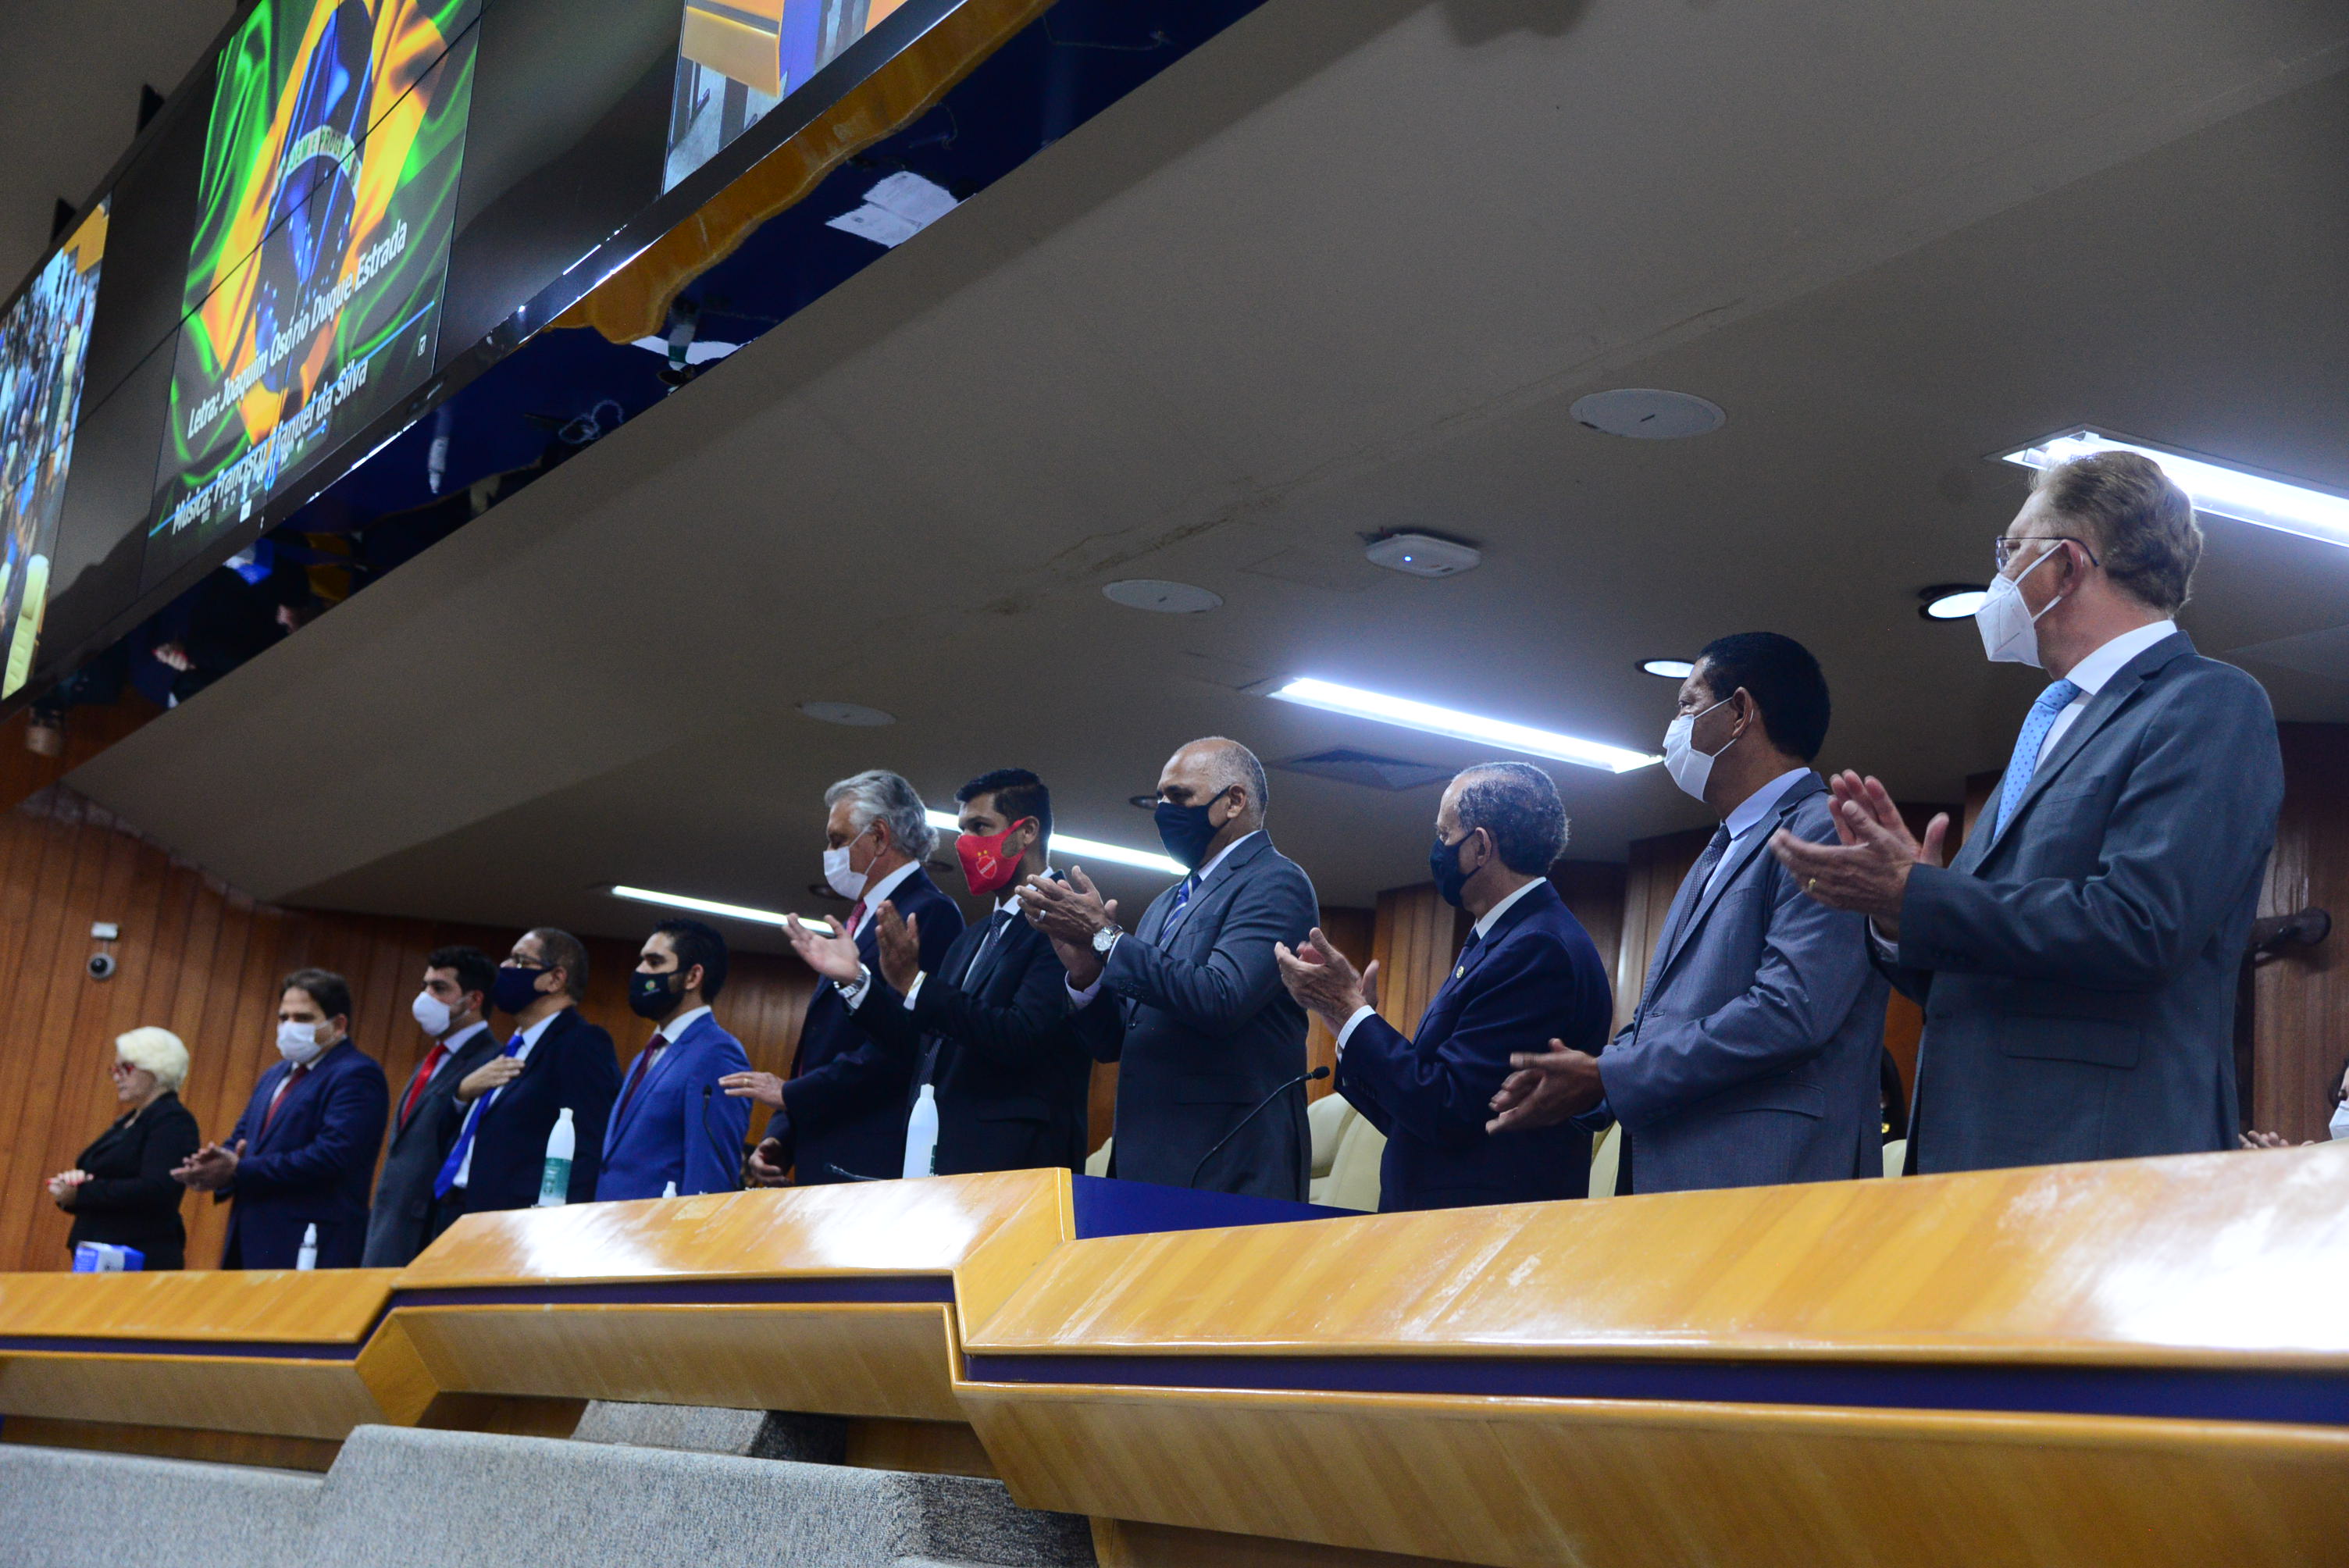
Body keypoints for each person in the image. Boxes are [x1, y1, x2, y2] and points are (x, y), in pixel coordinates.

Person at [1773, 451, 2283, 1172]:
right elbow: (1975, 975)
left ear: (2066, 565)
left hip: (2098, 1154)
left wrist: (1924, 896)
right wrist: (1901, 914)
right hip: (1979, 1149)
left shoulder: (2208, 702)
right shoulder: (2051, 720)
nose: (2001, 574)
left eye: (2012, 549)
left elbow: (2142, 927)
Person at [1485, 636, 1888, 1191]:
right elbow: (1662, 1018)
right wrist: (1586, 1081)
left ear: (1740, 713)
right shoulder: (1719, 849)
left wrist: (1609, 1075)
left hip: (1767, 1177)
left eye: (1687, 705)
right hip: (1684, 1173)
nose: (1673, 728)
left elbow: (1788, 1010)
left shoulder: (1825, 828)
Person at [1278, 763, 1610, 1210]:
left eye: (1444, 834)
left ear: (1480, 847)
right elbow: (1415, 1116)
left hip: (1483, 1229)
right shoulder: (1505, 938)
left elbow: (1448, 1111)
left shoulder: (1536, 947)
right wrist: (1348, 1021)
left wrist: (1351, 1012)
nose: (1437, 849)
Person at [1021, 737, 1318, 1199]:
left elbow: (1221, 997)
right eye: (1160, 798)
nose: (1164, 811)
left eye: (1179, 797)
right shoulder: (1166, 903)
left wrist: (1106, 938)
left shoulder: (1276, 881)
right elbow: (1116, 1041)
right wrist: (1086, 973)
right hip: (1146, 1163)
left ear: (1234, 801)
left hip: (1228, 1165)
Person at [780, 768, 1093, 1177]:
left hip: (1015, 1163)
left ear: (1027, 832)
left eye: (980, 827)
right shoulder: (974, 937)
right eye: (961, 830)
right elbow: (923, 1042)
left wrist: (916, 983)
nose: (965, 844)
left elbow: (1021, 1035)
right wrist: (857, 982)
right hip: (942, 1156)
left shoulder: (1065, 921)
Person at [726, 771, 963, 1185]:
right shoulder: (860, 918)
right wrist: (785, 1133)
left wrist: (790, 1095)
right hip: (826, 1143)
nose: (829, 853)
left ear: (880, 836)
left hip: (870, 1152)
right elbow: (826, 1043)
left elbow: (902, 1044)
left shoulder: (927, 912)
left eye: (838, 840)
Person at [174, 969, 389, 1269]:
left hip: (310, 1242)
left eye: (303, 1018)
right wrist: (214, 1166)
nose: (289, 1027)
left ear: (338, 1025)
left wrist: (238, 1170)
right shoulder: (274, 1074)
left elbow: (333, 1155)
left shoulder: (357, 1074)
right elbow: (243, 1138)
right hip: (249, 1239)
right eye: (283, 1017)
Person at [432, 929, 619, 1229]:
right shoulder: (511, 1048)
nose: (505, 967)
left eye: (520, 961)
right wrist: (462, 1095)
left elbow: (586, 1147)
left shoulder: (581, 1043)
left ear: (555, 979)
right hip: (457, 1210)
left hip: (515, 1224)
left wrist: (559, 1227)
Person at [362, 946, 501, 1267]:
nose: (426, 997)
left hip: (429, 1226)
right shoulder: (432, 1059)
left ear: (473, 1000)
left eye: (439, 988)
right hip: (390, 1220)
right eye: (425, 986)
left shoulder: (492, 1061)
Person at [595, 918, 753, 1200]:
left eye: (654, 962)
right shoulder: (648, 1054)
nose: (640, 971)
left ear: (692, 977)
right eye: (641, 961)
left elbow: (709, 1177)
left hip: (660, 1226)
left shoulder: (717, 1054)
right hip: (613, 1219)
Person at [47, 1028, 201, 1269]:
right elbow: (105, 1176)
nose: (116, 1077)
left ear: (157, 1069)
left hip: (138, 1256)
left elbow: (157, 1189)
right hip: (100, 1254)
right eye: (115, 1069)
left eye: (126, 1068)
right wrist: (73, 1186)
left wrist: (83, 1193)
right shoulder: (130, 1121)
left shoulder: (173, 1121)